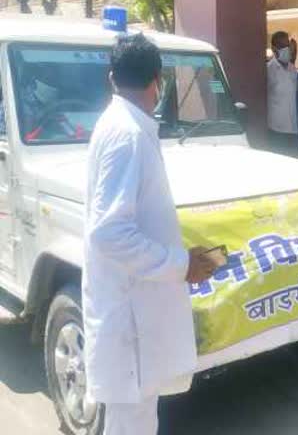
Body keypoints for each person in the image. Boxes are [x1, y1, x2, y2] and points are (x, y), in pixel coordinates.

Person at [84, 34, 218, 434]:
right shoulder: (127, 135)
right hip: (130, 323)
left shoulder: (128, 127)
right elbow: (108, 232)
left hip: (137, 317)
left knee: (139, 420)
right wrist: (179, 265)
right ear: (158, 80)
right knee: (131, 423)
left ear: (112, 78)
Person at [267, 30, 298, 155]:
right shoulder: (269, 70)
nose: (286, 49)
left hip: (293, 129)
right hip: (276, 131)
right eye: (282, 46)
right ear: (274, 49)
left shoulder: (292, 69)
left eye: (287, 45)